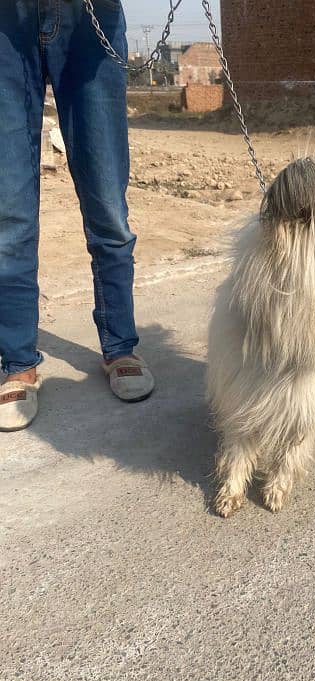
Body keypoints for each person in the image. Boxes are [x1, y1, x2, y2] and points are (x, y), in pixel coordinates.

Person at [0, 0, 154, 432]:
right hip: (6, 22)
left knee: (107, 203)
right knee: (8, 215)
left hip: (89, 16)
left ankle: (120, 346)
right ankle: (17, 363)